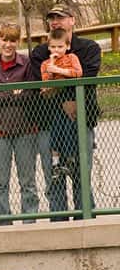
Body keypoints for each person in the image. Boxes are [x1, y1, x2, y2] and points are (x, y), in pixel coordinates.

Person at [27, 3, 101, 220]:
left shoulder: (89, 48)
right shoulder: (41, 52)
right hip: (48, 123)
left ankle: (85, 223)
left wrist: (62, 91)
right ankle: (58, 224)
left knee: (81, 176)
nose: (55, 21)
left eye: (60, 17)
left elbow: (88, 77)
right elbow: (38, 83)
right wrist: (66, 99)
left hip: (81, 119)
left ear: (72, 20)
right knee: (54, 178)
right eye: (51, 18)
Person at [0, 22, 39, 225]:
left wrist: (2, 93)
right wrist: (12, 93)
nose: (8, 44)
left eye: (13, 40)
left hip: (25, 130)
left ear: (18, 42)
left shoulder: (27, 64)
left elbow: (31, 94)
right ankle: (3, 224)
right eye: (5, 39)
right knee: (0, 183)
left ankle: (29, 221)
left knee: (28, 182)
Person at [39, 27, 83, 179]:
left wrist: (60, 70)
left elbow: (78, 73)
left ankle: (70, 161)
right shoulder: (45, 63)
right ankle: (56, 163)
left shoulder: (71, 58)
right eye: (53, 47)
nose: (56, 50)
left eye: (60, 47)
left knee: (69, 130)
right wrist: (51, 71)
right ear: (48, 47)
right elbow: (46, 82)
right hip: (55, 106)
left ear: (67, 46)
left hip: (71, 104)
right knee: (56, 132)